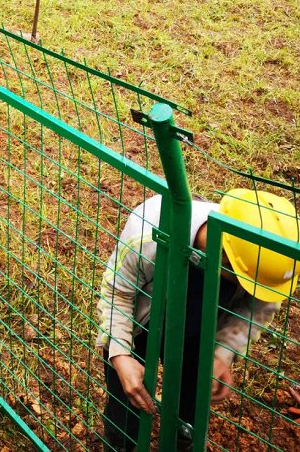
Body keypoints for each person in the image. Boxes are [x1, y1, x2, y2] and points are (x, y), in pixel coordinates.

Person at [96, 189, 300, 452]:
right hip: (139, 326)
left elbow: (257, 308)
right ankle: (122, 443)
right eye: (249, 285)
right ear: (225, 259)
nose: (255, 292)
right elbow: (118, 293)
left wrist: (222, 354)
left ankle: (182, 441)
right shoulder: (150, 229)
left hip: (200, 332)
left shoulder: (264, 263)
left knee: (191, 403)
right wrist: (121, 354)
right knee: (126, 405)